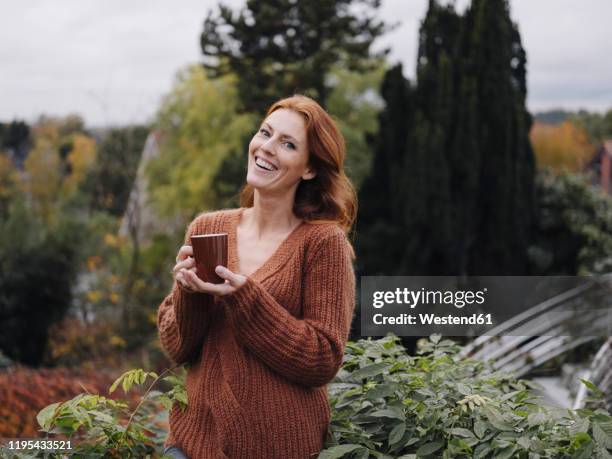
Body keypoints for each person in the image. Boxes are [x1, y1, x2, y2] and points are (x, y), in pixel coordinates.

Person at [157, 94, 357, 459]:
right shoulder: (208, 228)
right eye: (265, 133)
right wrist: (189, 294)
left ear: (309, 168)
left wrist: (246, 299)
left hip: (282, 449)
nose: (266, 148)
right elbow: (178, 349)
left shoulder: (323, 243)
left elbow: (323, 359)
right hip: (191, 445)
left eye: (288, 144)